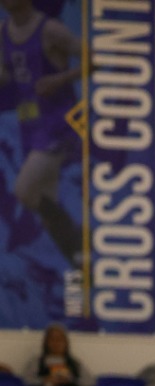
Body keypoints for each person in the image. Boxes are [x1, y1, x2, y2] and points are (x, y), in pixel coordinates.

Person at [0, 0, 82, 269]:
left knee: (25, 190)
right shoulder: (4, 32)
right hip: (31, 125)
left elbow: (92, 58)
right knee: (44, 201)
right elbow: (7, 76)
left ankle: (79, 242)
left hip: (57, 122)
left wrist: (60, 80)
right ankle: (78, 261)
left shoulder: (51, 29)